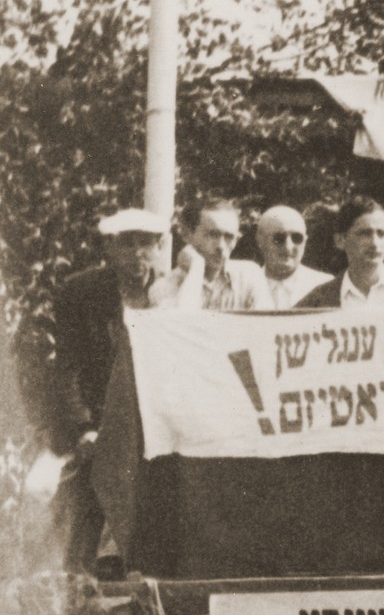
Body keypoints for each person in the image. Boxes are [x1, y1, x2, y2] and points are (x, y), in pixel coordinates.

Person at [51, 208, 165, 571]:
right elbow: (67, 367)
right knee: (85, 529)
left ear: (159, 247)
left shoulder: (169, 293)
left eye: (146, 244)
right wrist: (83, 427)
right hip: (99, 426)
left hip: (154, 426)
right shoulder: (82, 292)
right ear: (110, 249)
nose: (137, 253)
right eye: (127, 244)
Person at [297, 197, 384, 308]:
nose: (375, 243)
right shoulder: (318, 300)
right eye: (364, 234)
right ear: (340, 240)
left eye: (381, 234)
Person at [149, 197, 264, 309]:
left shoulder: (249, 276)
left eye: (229, 237)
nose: (221, 246)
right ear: (187, 235)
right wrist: (196, 267)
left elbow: (267, 325)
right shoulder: (163, 287)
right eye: (213, 235)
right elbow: (181, 322)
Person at [252, 204, 331, 309]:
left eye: (297, 238)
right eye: (279, 238)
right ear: (260, 241)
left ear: (305, 241)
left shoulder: (325, 286)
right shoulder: (245, 287)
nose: (288, 247)